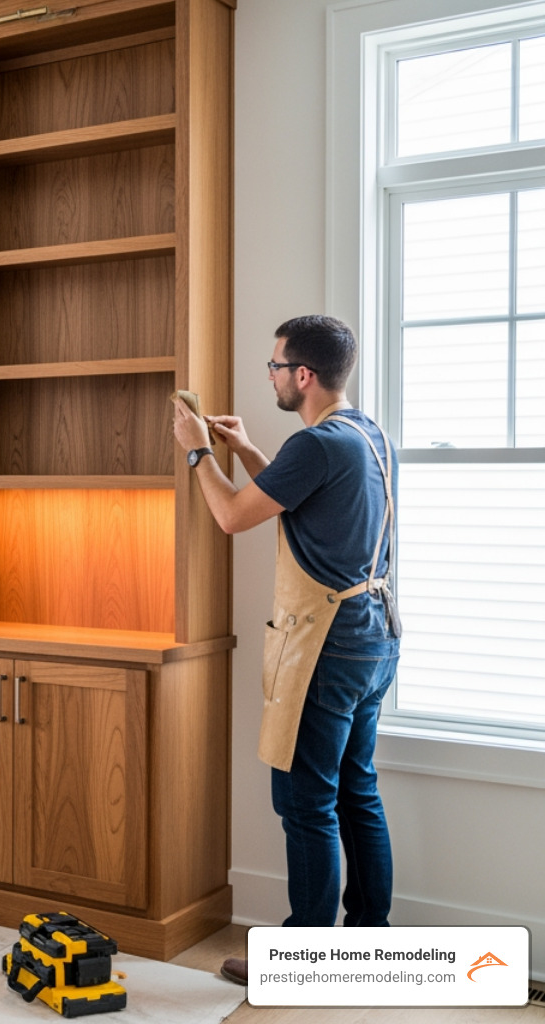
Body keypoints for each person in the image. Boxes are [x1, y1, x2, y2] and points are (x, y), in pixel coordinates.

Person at [170, 316, 400, 985]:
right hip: (374, 639)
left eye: (274, 366)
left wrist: (197, 453)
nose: (267, 375)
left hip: (327, 648)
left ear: (302, 375)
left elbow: (234, 516)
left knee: (305, 802)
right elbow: (300, 501)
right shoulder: (366, 434)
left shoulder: (319, 443)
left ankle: (304, 958)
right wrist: (243, 449)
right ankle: (366, 941)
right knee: (356, 791)